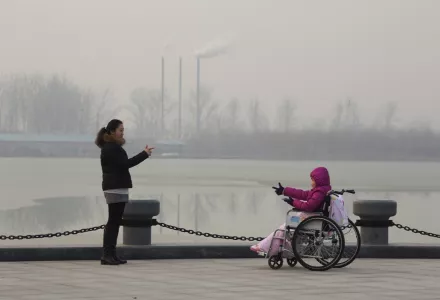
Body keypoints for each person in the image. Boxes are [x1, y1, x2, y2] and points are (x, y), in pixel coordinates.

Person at [95, 119, 154, 265]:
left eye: (123, 130)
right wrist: (144, 154)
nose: (122, 133)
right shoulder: (111, 148)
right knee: (113, 222)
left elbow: (123, 165)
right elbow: (126, 164)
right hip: (114, 188)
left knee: (115, 221)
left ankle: (111, 254)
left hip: (118, 187)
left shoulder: (113, 147)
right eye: (120, 130)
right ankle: (107, 255)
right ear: (112, 131)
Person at [250, 167, 331, 254]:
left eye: (312, 180)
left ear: (319, 180)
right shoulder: (322, 190)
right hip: (311, 217)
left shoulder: (319, 192)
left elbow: (309, 206)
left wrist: (293, 202)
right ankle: (272, 247)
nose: (311, 183)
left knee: (283, 228)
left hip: (309, 219)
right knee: (286, 227)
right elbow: (303, 194)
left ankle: (264, 247)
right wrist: (284, 191)